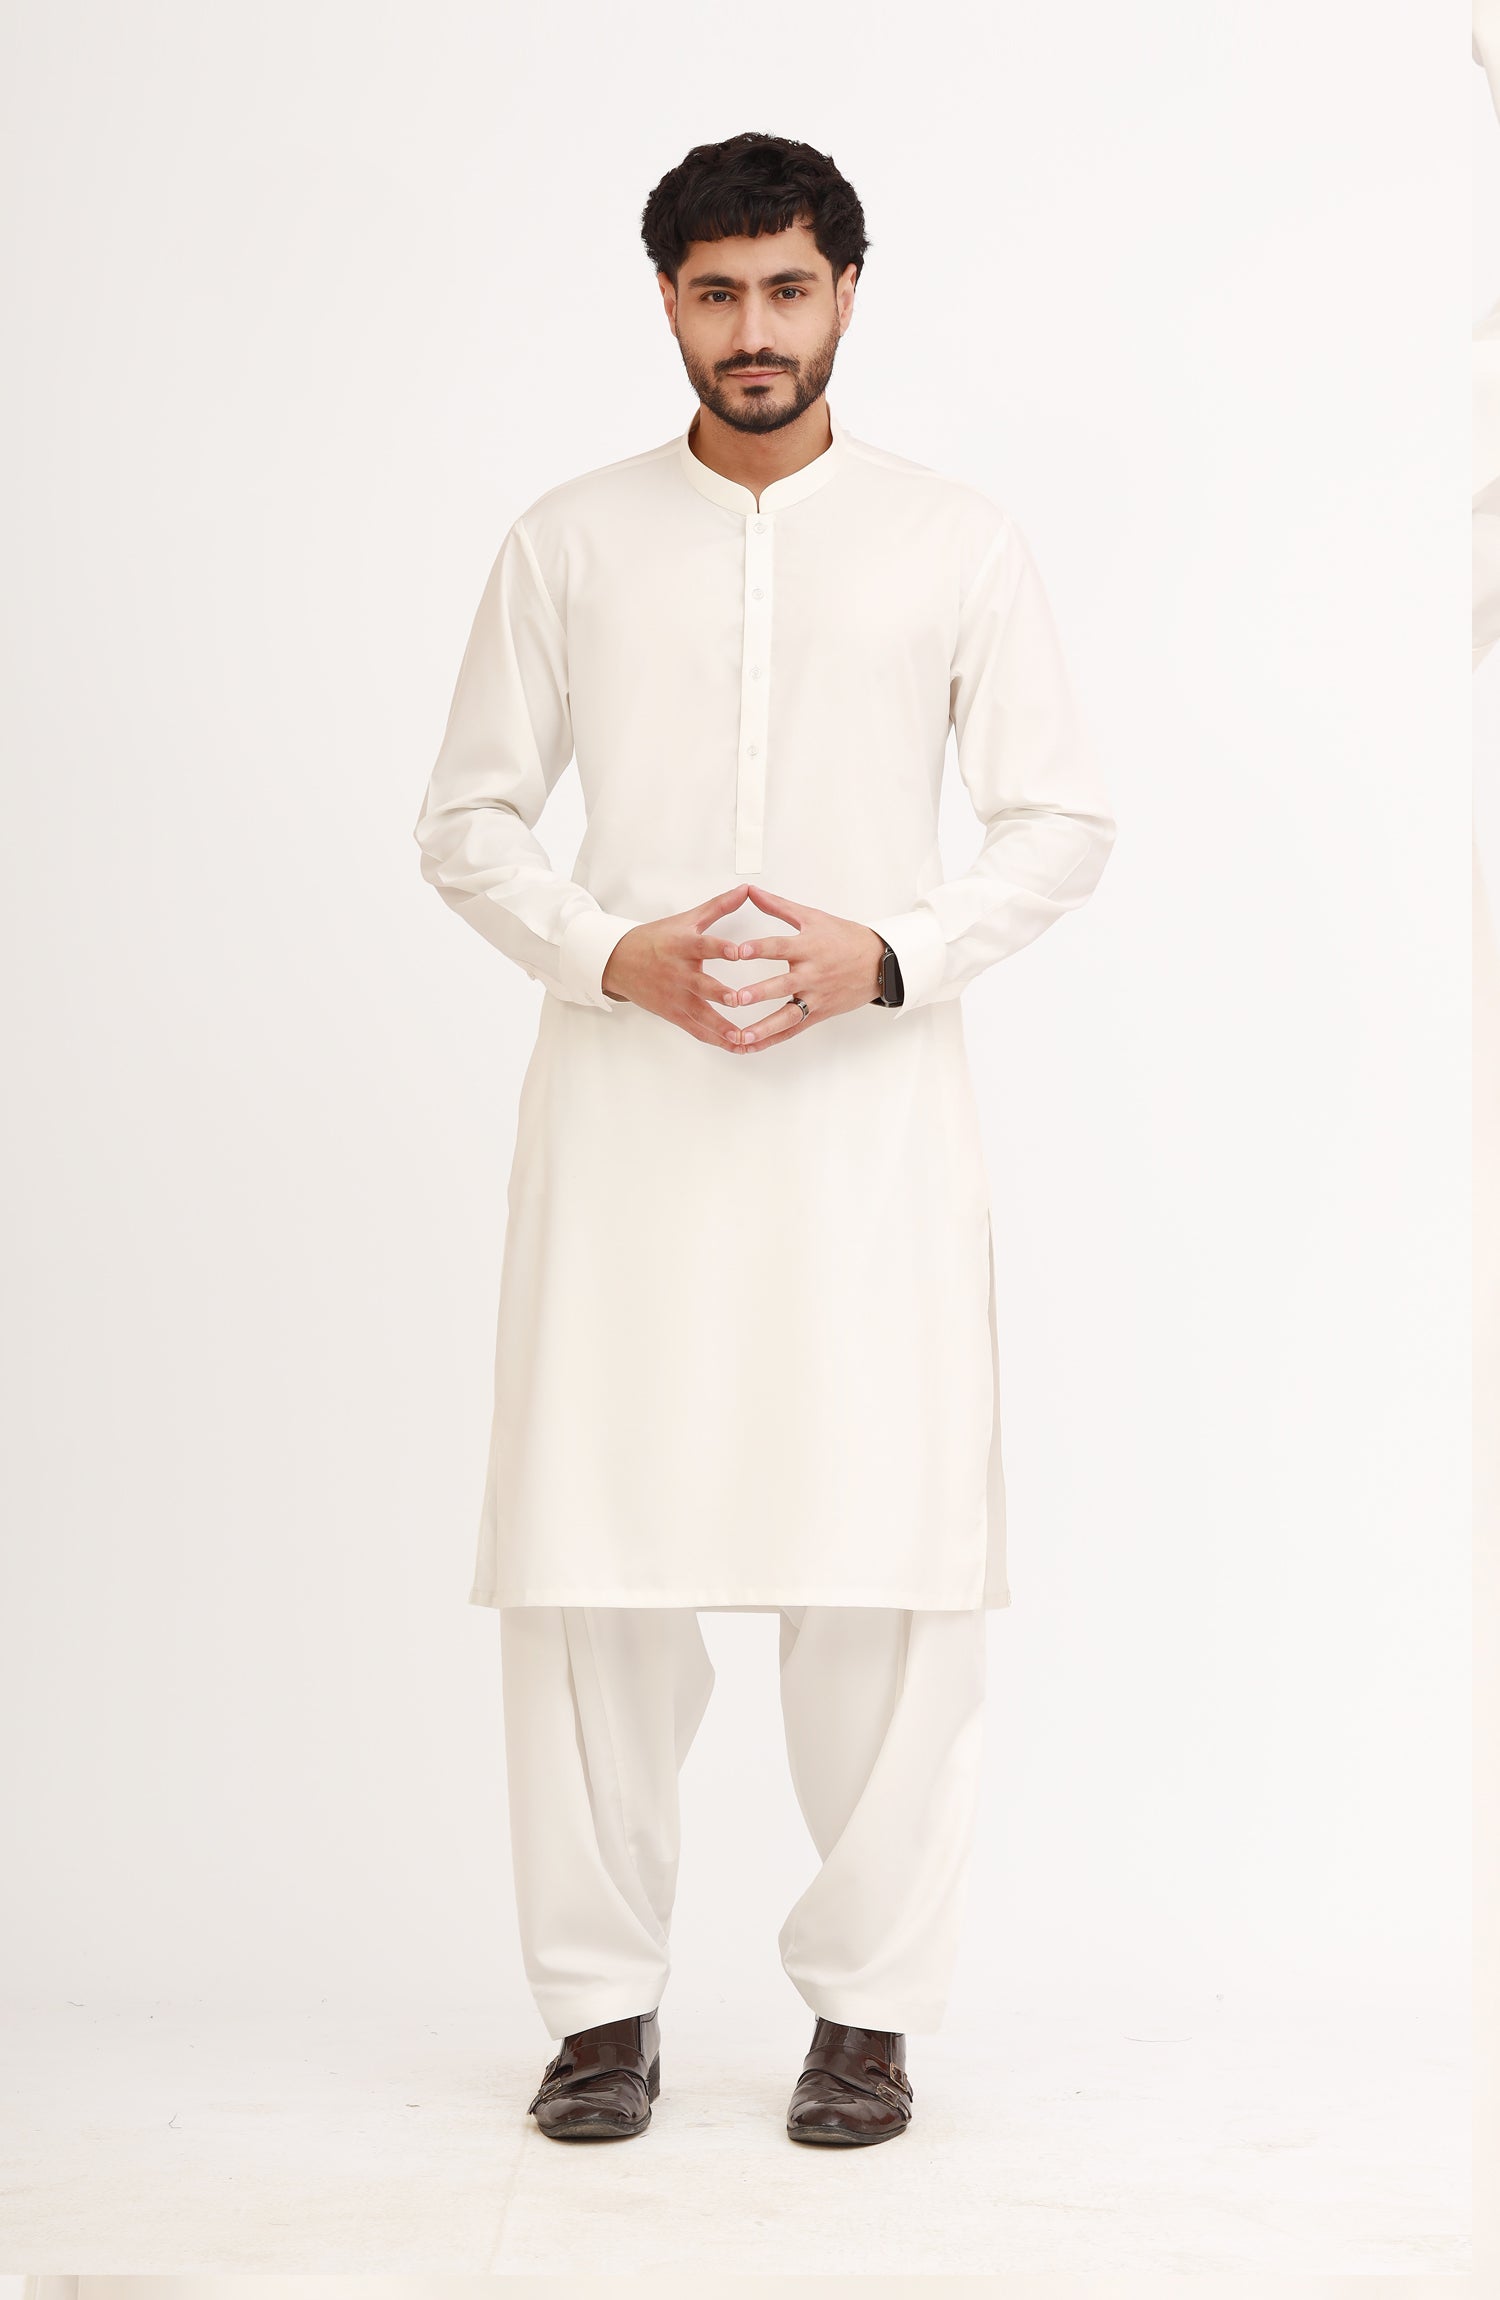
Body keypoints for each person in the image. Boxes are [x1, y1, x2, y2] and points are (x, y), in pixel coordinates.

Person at [412, 130, 1116, 2147]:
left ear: (846, 294)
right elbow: (468, 819)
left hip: (867, 1130)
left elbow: (1059, 819)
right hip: (625, 1117)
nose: (753, 328)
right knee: (591, 1563)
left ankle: (868, 2016)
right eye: (716, 291)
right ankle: (598, 2013)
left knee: (890, 1561)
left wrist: (887, 953)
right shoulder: (567, 540)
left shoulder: (954, 541)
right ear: (665, 301)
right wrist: (604, 951)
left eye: (787, 289)